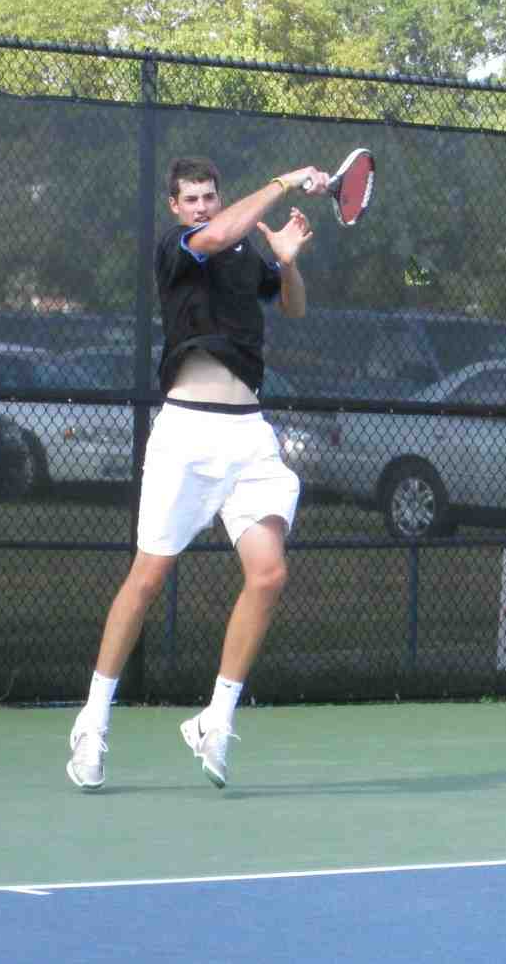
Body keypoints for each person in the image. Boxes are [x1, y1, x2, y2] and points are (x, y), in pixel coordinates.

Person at [67, 156, 331, 791]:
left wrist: (288, 261)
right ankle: (93, 722)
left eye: (209, 197)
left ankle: (216, 717)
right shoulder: (182, 247)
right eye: (191, 199)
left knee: (268, 575)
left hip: (249, 437)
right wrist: (285, 181)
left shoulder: (244, 255)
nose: (202, 207)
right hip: (185, 434)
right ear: (175, 208)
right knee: (149, 577)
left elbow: (292, 308)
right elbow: (216, 238)